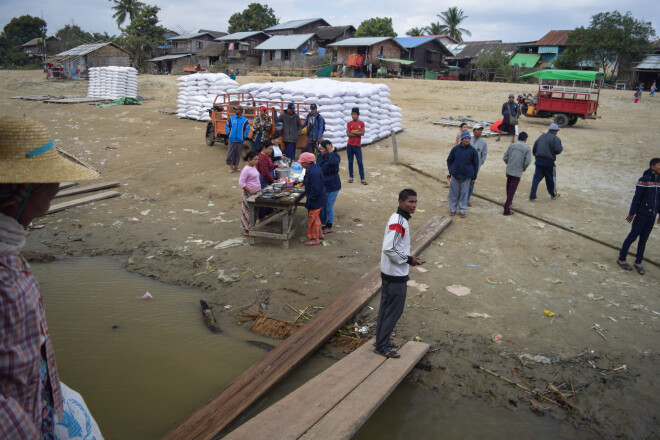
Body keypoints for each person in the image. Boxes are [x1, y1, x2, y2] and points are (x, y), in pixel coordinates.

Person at [0, 116, 103, 439]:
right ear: (21, 192)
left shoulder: (11, 262)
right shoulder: (5, 281)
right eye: (50, 179)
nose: (57, 187)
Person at [374, 189, 424, 358]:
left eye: (415, 202)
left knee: (386, 308)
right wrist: (409, 259)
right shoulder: (399, 222)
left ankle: (382, 340)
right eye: (410, 202)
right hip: (395, 274)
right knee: (394, 310)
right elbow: (389, 248)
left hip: (389, 271)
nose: (414, 205)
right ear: (401, 202)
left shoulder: (399, 219)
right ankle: (382, 346)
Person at [616, 158, 660, 275]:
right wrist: (631, 213)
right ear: (653, 167)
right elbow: (637, 198)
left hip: (652, 215)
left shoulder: (659, 181)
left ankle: (638, 262)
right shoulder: (643, 180)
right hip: (642, 214)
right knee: (633, 236)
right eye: (659, 166)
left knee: (644, 239)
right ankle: (621, 258)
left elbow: (659, 199)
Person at [447, 131, 479, 218]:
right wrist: (451, 170)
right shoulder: (455, 149)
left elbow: (476, 165)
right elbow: (449, 160)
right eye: (466, 138)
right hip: (455, 176)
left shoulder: (473, 151)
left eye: (469, 138)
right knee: (453, 194)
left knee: (464, 194)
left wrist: (473, 178)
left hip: (467, 177)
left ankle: (462, 210)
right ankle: (452, 209)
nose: (467, 140)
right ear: (462, 139)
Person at [298, 152, 327, 246]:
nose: (301, 164)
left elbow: (315, 188)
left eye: (302, 162)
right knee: (316, 218)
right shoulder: (311, 168)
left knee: (312, 219)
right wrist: (303, 182)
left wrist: (310, 199)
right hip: (319, 198)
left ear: (307, 162)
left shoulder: (314, 172)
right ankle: (320, 234)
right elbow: (307, 177)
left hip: (316, 199)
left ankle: (315, 239)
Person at [529, 123, 563, 201]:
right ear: (556, 131)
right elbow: (558, 150)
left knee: (536, 179)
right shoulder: (556, 139)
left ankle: (532, 196)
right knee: (551, 179)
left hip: (539, 161)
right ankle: (553, 194)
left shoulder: (541, 137)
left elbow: (534, 149)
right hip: (549, 162)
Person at [502, 131, 532, 215]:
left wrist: (510, 163)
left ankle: (509, 202)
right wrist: (522, 168)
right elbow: (527, 161)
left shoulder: (512, 145)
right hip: (517, 171)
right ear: (525, 139)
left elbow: (505, 157)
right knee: (512, 190)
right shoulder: (526, 148)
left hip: (510, 169)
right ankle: (506, 209)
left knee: (509, 187)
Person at [317, 140, 341, 234]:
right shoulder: (320, 156)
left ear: (328, 149)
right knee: (323, 204)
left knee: (329, 205)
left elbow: (334, 162)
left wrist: (331, 153)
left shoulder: (335, 156)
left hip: (333, 185)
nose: (321, 150)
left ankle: (329, 225)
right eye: (320, 149)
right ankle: (323, 223)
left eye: (322, 149)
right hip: (323, 184)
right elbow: (320, 167)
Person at [238, 151, 261, 235]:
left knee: (255, 211)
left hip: (256, 192)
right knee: (247, 211)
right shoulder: (246, 169)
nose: (256, 161)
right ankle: (246, 229)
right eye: (254, 159)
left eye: (257, 159)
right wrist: (250, 190)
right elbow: (241, 183)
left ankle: (252, 227)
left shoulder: (254, 167)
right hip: (248, 193)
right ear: (249, 159)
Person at [467, 124, 488, 206]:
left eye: (481, 130)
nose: (480, 131)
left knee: (471, 183)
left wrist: (479, 164)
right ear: (473, 130)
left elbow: (484, 155)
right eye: (478, 129)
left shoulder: (483, 143)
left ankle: (466, 200)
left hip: (475, 167)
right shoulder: (468, 140)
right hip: (465, 165)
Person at [225, 105, 250, 173]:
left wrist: (244, 136)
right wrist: (229, 133)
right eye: (235, 109)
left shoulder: (244, 120)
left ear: (241, 111)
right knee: (231, 153)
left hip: (239, 140)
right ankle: (231, 167)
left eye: (237, 109)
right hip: (232, 139)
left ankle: (236, 166)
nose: (236, 111)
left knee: (238, 153)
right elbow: (227, 125)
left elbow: (247, 128)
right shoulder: (232, 118)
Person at [346, 107, 366, 185]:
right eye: (352, 114)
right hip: (350, 146)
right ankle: (351, 177)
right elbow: (348, 134)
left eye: (355, 114)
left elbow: (363, 133)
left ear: (358, 115)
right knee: (350, 162)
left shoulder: (361, 123)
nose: (353, 116)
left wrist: (353, 133)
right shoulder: (349, 124)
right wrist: (358, 133)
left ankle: (362, 178)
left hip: (357, 146)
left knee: (360, 162)